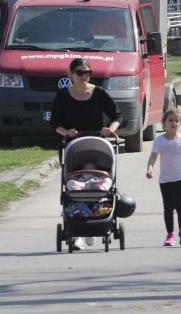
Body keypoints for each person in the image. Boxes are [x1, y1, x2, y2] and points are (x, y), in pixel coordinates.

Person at [50, 57, 122, 249]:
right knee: (75, 187)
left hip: (97, 147)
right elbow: (54, 123)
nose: (84, 76)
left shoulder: (99, 93)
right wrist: (66, 132)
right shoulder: (63, 96)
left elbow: (117, 115)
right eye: (80, 72)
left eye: (87, 73)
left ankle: (96, 221)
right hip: (75, 149)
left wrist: (111, 129)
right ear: (70, 74)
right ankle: (78, 232)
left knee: (99, 186)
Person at [147, 108, 181, 247]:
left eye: (177, 121)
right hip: (165, 178)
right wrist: (150, 168)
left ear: (180, 123)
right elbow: (153, 156)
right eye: (170, 120)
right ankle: (170, 235)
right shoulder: (159, 140)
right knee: (168, 208)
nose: (174, 123)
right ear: (164, 122)